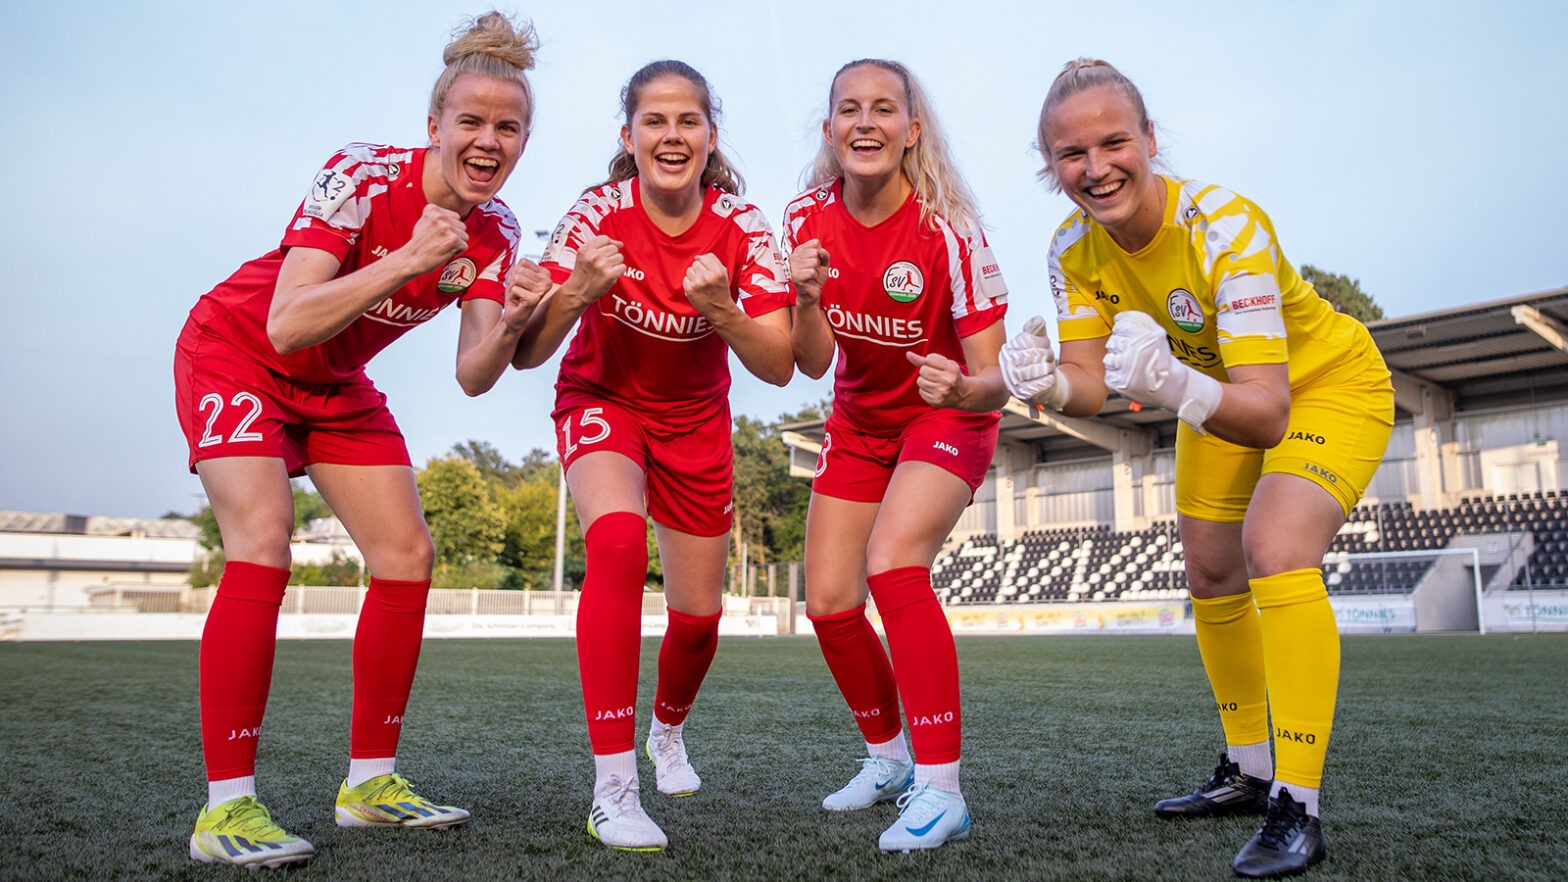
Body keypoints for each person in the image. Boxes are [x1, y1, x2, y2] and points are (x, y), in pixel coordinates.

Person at [173, 12, 549, 869]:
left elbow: (474, 372)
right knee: (264, 544)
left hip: (335, 386)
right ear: (434, 128)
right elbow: (290, 319)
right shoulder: (361, 173)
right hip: (241, 352)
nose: (488, 140)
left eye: (508, 127)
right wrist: (406, 259)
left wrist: (523, 314)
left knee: (407, 555)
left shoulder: (497, 231)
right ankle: (227, 808)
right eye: (472, 122)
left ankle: (370, 786)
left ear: (524, 140)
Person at [1001, 58, 1394, 878]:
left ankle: (1299, 800)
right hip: (1213, 390)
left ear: (1150, 140)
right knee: (1210, 573)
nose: (1096, 167)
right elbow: (1089, 383)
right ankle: (1250, 771)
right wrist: (1041, 383)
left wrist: (1175, 381)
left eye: (1114, 142)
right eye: (1071, 154)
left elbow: (1269, 411)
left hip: (1319, 386)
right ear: (1050, 166)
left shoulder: (1225, 227)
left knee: (1275, 550)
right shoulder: (1072, 245)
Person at [509, 60, 794, 852]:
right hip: (604, 404)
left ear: (709, 135)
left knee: (699, 619)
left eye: (688, 121)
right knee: (616, 543)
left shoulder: (743, 226)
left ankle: (666, 733)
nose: (672, 135)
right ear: (628, 137)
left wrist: (722, 310)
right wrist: (573, 291)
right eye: (655, 121)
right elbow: (529, 354)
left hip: (696, 425)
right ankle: (613, 788)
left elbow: (778, 364)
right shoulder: (595, 213)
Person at [782, 58, 1009, 853]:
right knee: (831, 603)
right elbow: (810, 361)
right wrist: (805, 298)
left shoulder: (952, 229)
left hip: (944, 418)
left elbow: (996, 380)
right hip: (858, 423)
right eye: (850, 109)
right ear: (831, 129)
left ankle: (941, 788)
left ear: (913, 131)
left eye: (885, 109)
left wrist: (961, 387)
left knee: (895, 565)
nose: (866, 123)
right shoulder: (804, 217)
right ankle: (887, 757)